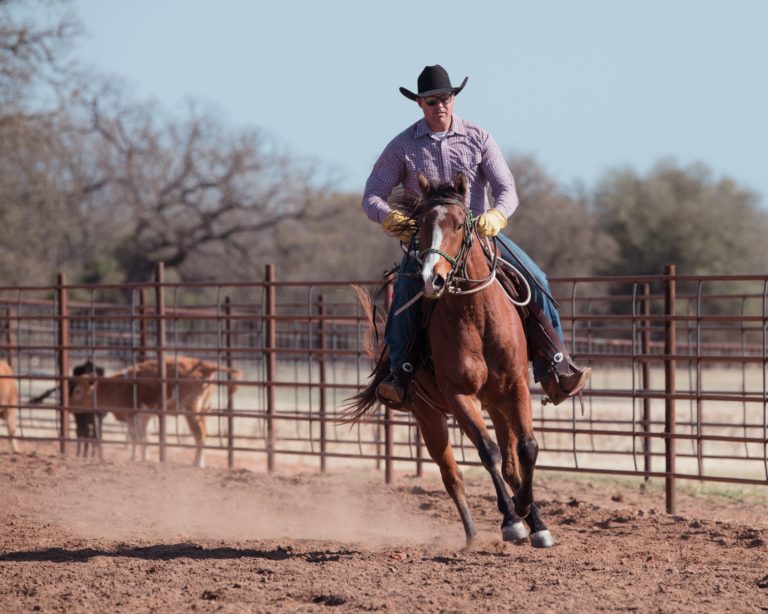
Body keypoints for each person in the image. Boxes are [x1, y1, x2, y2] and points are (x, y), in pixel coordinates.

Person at [362, 64, 591, 408]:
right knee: (405, 299)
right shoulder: (402, 147)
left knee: (537, 279)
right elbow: (371, 195)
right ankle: (401, 372)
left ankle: (556, 366)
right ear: (419, 104)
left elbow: (506, 188)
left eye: (444, 98)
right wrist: (391, 219)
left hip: (479, 239)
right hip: (427, 244)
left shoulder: (478, 138)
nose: (439, 105)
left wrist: (497, 215)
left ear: (453, 98)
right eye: (430, 100)